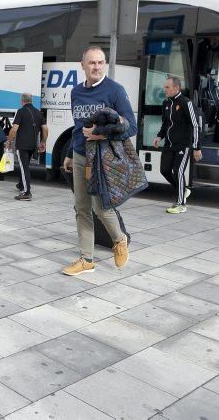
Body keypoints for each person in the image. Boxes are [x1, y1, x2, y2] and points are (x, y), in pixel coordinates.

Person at [62, 46, 137, 275]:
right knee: (81, 208)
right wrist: (68, 154)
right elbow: (77, 127)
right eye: (92, 63)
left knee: (101, 207)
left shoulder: (115, 90)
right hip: (79, 156)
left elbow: (131, 126)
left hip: (101, 159)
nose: (96, 67)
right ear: (83, 65)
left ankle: (119, 239)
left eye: (100, 62)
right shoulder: (75, 92)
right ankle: (86, 259)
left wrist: (101, 133)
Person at [154, 76, 202, 214]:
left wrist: (197, 147)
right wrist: (159, 136)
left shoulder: (186, 103)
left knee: (178, 171)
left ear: (176, 88)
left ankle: (181, 204)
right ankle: (184, 190)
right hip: (169, 144)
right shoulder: (166, 103)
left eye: (167, 87)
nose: (164, 90)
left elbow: (195, 126)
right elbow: (165, 124)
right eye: (164, 87)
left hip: (183, 145)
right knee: (164, 170)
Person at [8, 93, 48, 201]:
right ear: (31, 100)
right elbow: (45, 129)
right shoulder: (39, 113)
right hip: (33, 145)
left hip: (22, 145)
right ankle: (21, 185)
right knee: (25, 166)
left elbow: (14, 128)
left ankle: (26, 192)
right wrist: (43, 142)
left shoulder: (21, 111)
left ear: (22, 101)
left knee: (24, 167)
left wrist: (9, 141)